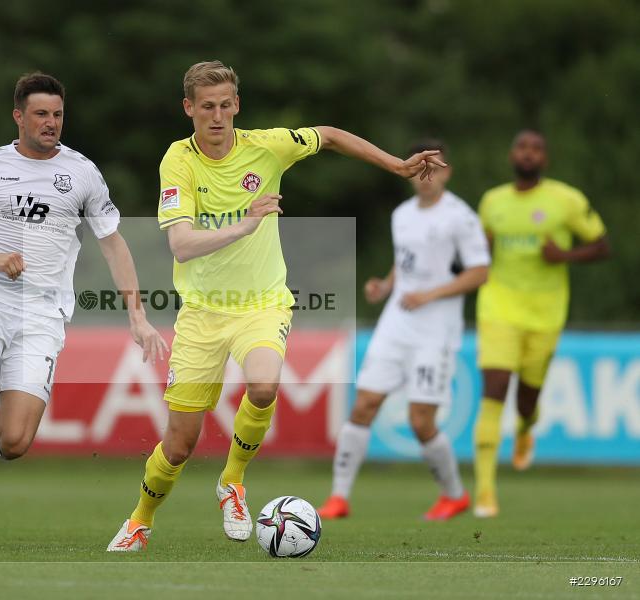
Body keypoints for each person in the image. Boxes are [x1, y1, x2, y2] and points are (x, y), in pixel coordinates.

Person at [106, 61, 447, 552]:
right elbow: (181, 245)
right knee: (179, 445)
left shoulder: (267, 146)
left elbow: (329, 136)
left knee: (264, 386)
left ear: (237, 105)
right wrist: (245, 224)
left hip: (262, 304)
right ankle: (141, 519)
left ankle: (232, 482)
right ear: (189, 109)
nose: (217, 116)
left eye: (225, 105)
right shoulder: (178, 160)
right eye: (207, 107)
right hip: (202, 313)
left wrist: (396, 165)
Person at [0, 71, 168, 546]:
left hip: (44, 313)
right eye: (41, 114)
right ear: (19, 116)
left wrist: (137, 314)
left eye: (58, 115)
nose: (51, 123)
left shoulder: (82, 173)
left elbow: (113, 244)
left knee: (15, 441)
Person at [317, 140, 489, 522]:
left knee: (420, 420)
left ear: (447, 172)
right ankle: (338, 498)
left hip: (435, 332)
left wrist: (430, 294)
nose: (427, 177)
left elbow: (480, 272)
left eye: (435, 169)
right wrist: (386, 286)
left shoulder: (460, 217)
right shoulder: (402, 215)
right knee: (363, 405)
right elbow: (405, 262)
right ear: (411, 172)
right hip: (395, 325)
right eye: (421, 169)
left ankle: (454, 495)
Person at [473, 129, 610, 518]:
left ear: (545, 159)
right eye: (522, 147)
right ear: (511, 155)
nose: (528, 154)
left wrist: (564, 256)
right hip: (498, 308)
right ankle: (485, 494)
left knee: (526, 401)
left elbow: (602, 246)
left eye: (536, 149)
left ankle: (524, 429)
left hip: (545, 315)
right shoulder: (492, 201)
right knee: (494, 389)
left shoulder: (566, 200)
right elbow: (480, 249)